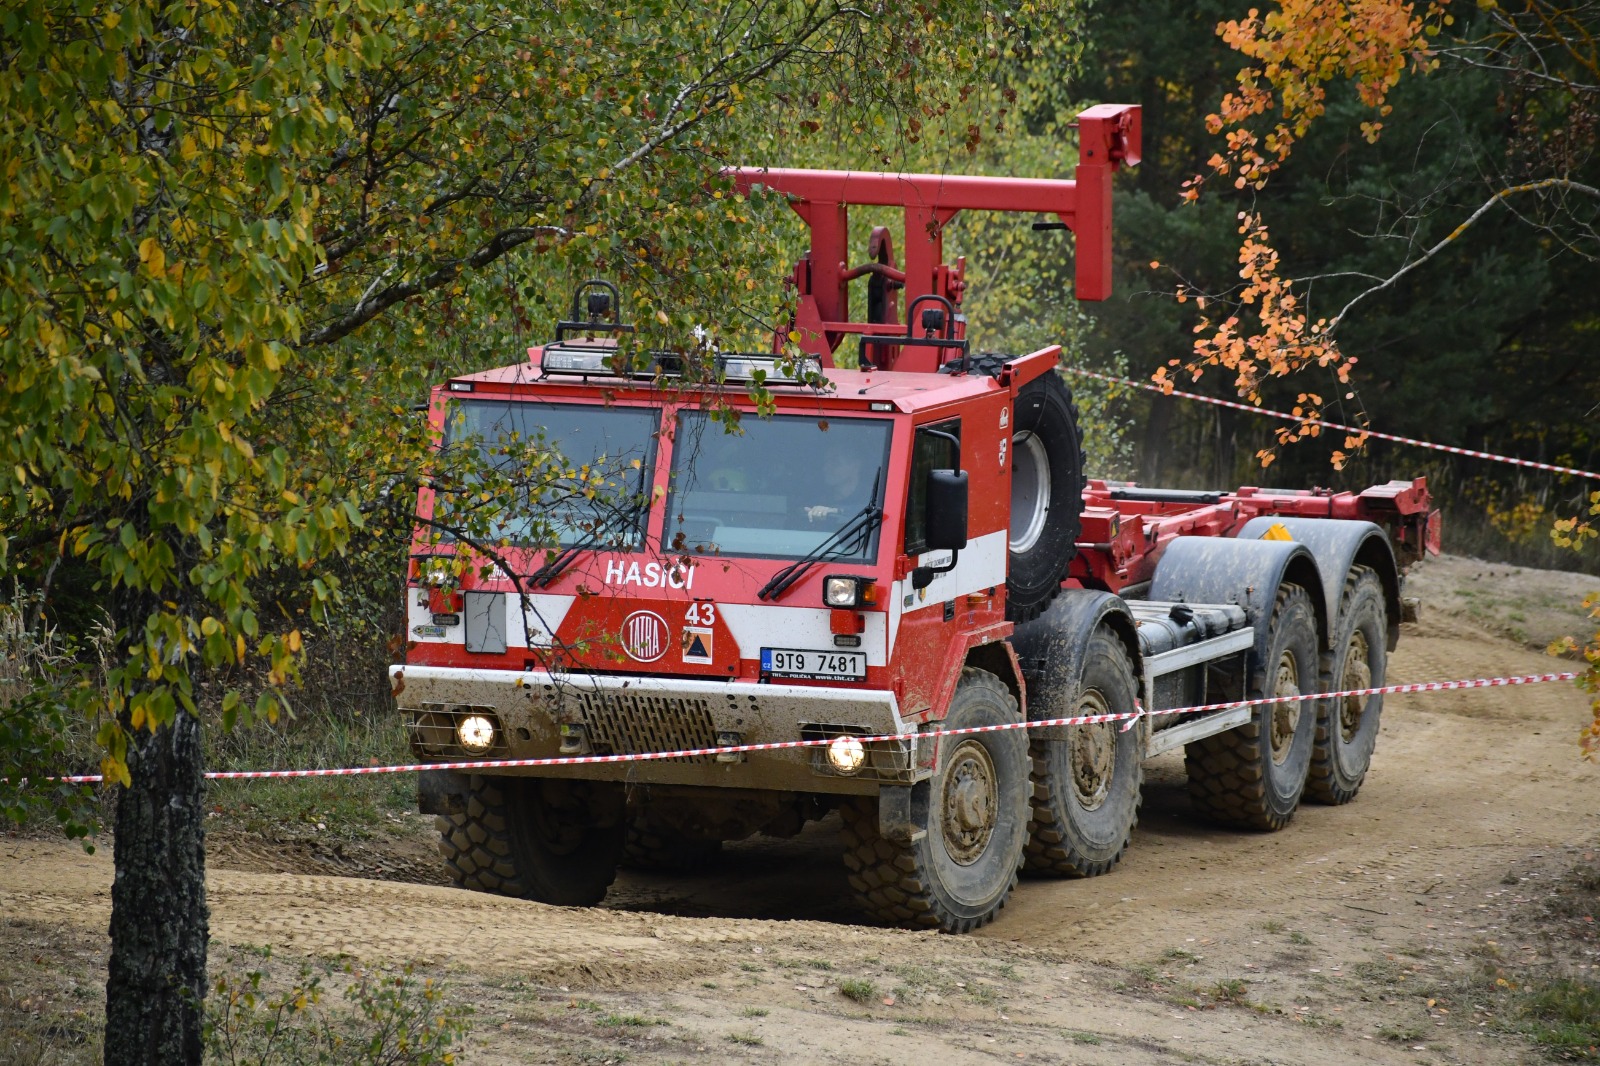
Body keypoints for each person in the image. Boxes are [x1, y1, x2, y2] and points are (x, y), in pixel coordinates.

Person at [804, 451, 870, 523]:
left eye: (835, 463)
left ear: (856, 466)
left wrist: (836, 511)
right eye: (825, 462)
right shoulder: (817, 496)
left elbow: (874, 511)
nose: (825, 468)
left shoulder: (871, 495)